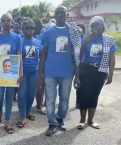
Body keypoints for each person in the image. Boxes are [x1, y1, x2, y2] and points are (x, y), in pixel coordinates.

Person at [38, 6, 81, 136]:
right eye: (58, 13)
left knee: (65, 99)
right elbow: (43, 54)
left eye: (63, 12)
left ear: (67, 15)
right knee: (50, 99)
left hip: (67, 73)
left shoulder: (74, 32)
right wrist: (40, 74)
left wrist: (77, 76)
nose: (61, 15)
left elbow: (77, 56)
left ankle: (60, 118)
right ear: (54, 16)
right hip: (50, 72)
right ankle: (52, 124)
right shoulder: (48, 33)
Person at [76, 16, 116, 130]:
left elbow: (111, 58)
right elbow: (79, 53)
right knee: (84, 94)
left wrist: (110, 74)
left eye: (97, 25)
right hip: (86, 69)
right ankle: (82, 120)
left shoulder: (109, 40)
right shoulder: (86, 38)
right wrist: (87, 40)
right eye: (92, 26)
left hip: (100, 71)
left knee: (94, 95)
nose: (94, 28)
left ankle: (90, 120)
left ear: (102, 26)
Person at [17, 18, 42, 128]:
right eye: (27, 28)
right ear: (22, 29)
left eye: (32, 28)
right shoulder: (19, 42)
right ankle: (22, 116)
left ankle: (27, 112)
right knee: (22, 95)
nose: (30, 30)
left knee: (32, 94)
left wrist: (42, 73)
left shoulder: (38, 43)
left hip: (34, 72)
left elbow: (42, 58)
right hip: (23, 73)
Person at [35, 19, 56, 115]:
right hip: (43, 65)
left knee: (50, 87)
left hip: (52, 67)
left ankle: (47, 105)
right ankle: (39, 105)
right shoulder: (40, 39)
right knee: (40, 86)